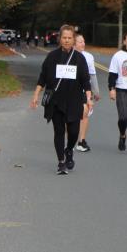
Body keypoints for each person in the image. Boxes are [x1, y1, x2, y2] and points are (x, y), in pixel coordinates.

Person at [31, 25, 92, 175]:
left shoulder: (79, 58)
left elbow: (86, 81)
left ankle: (69, 150)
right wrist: (36, 95)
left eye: (69, 38)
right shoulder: (52, 57)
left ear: (73, 39)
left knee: (73, 132)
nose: (66, 40)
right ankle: (61, 162)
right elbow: (43, 78)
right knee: (59, 131)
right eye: (64, 37)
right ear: (60, 39)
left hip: (74, 101)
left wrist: (88, 99)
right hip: (56, 101)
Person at [74, 34, 101, 152]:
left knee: (84, 114)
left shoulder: (89, 57)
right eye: (80, 42)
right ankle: (69, 142)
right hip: (70, 90)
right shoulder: (67, 55)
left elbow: (92, 75)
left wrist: (96, 91)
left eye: (84, 41)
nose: (83, 44)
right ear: (74, 44)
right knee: (69, 117)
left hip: (85, 90)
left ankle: (81, 141)